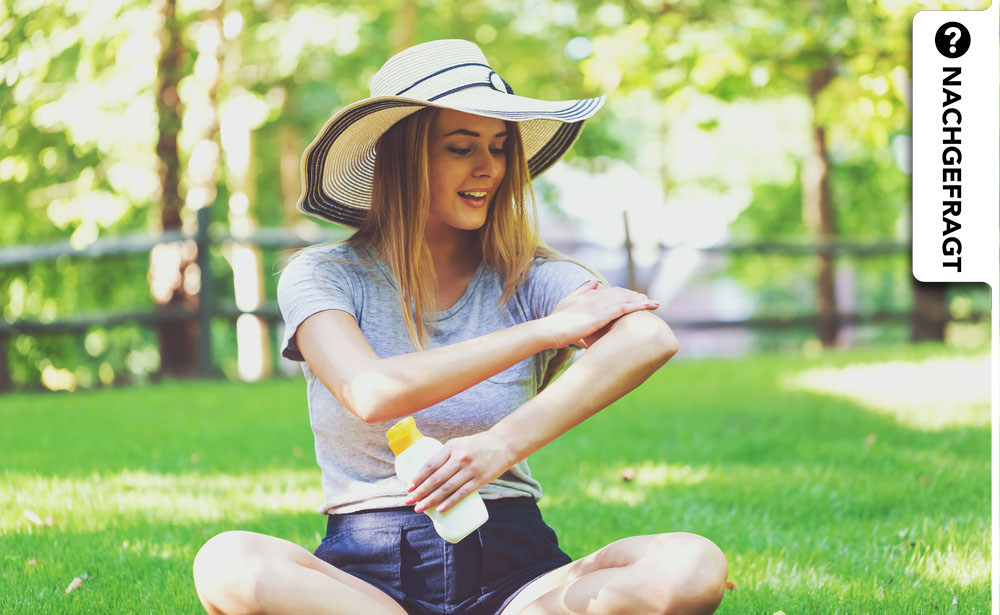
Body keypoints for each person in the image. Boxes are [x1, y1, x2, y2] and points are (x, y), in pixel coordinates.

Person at [192, 39, 728, 615]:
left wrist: (497, 447)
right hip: (366, 585)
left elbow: (649, 337)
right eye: (460, 147)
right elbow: (371, 392)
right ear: (402, 156)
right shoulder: (323, 275)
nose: (488, 168)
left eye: (499, 147)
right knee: (227, 562)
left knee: (691, 565)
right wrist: (542, 333)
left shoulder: (533, 278)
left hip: (519, 576)